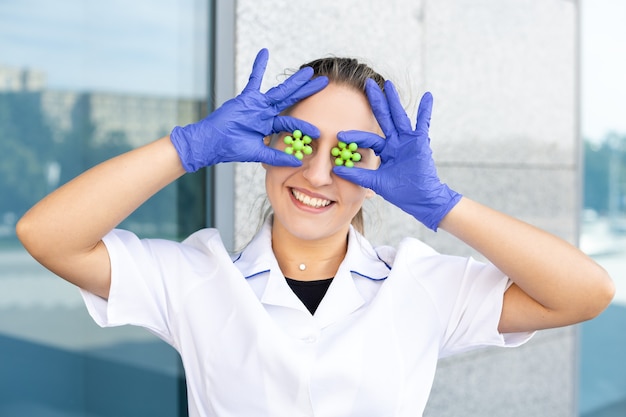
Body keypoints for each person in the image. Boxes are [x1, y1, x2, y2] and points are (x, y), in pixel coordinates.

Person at [17, 48, 614, 417]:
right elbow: (48, 235)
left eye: (352, 152)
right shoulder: (195, 277)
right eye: (298, 141)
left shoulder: (422, 283)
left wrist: (443, 206)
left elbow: (585, 293)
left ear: (384, 170)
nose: (318, 172)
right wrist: (188, 147)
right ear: (262, 143)